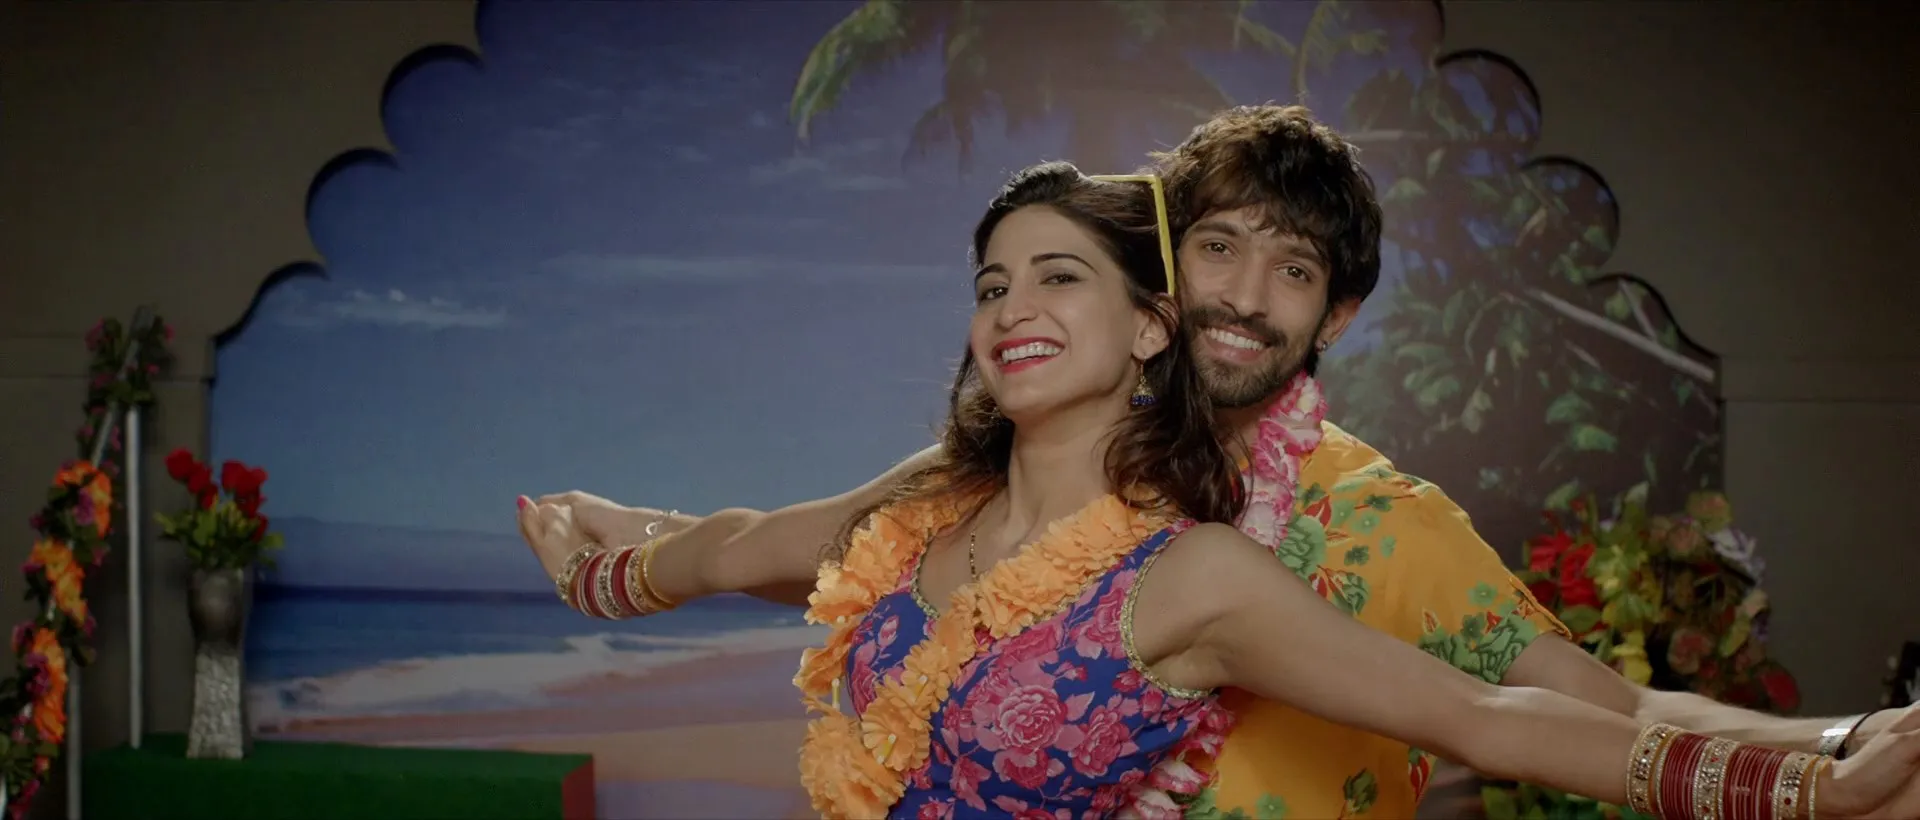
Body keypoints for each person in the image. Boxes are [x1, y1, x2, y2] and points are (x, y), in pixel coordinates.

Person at [524, 106, 1920, 818]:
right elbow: (812, 560)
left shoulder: (1359, 530)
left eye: (1293, 268)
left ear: (1337, 314)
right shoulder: (977, 481)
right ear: (1160, 279)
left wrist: (1831, 760)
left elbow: (1544, 714)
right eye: (1216, 247)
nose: (1244, 296)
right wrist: (618, 557)